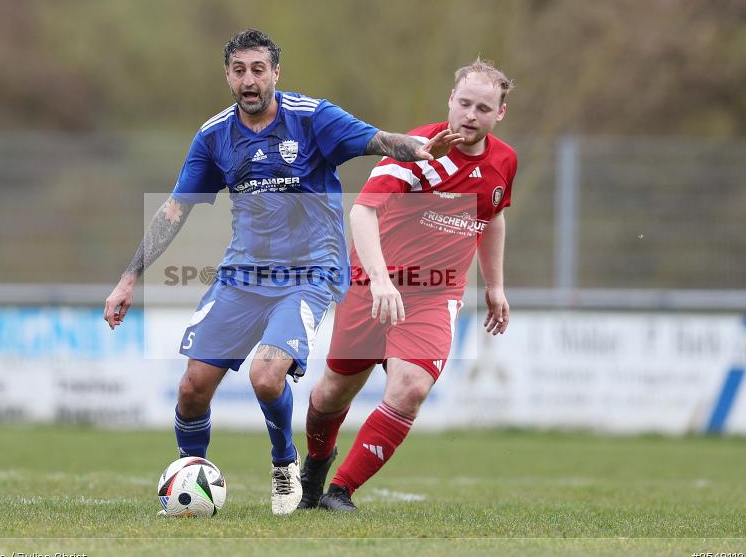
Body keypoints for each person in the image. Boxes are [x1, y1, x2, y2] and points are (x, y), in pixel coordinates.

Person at [103, 29, 464, 516]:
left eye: (258, 69)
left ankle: (283, 463)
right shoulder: (214, 136)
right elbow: (174, 210)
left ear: (276, 73)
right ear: (227, 75)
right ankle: (191, 483)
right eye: (239, 70)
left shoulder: (313, 118)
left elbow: (377, 139)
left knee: (267, 374)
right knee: (191, 389)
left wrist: (416, 150)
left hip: (311, 273)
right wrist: (129, 278)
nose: (249, 80)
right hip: (243, 275)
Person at [297, 58, 517, 511]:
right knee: (331, 393)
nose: (470, 115)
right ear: (450, 102)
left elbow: (493, 216)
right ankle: (315, 472)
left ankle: (340, 492)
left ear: (500, 114)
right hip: (372, 286)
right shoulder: (418, 150)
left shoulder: (504, 161)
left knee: (411, 386)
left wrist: (494, 285)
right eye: (464, 103)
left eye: (482, 107)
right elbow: (362, 211)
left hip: (435, 294)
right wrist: (379, 281)